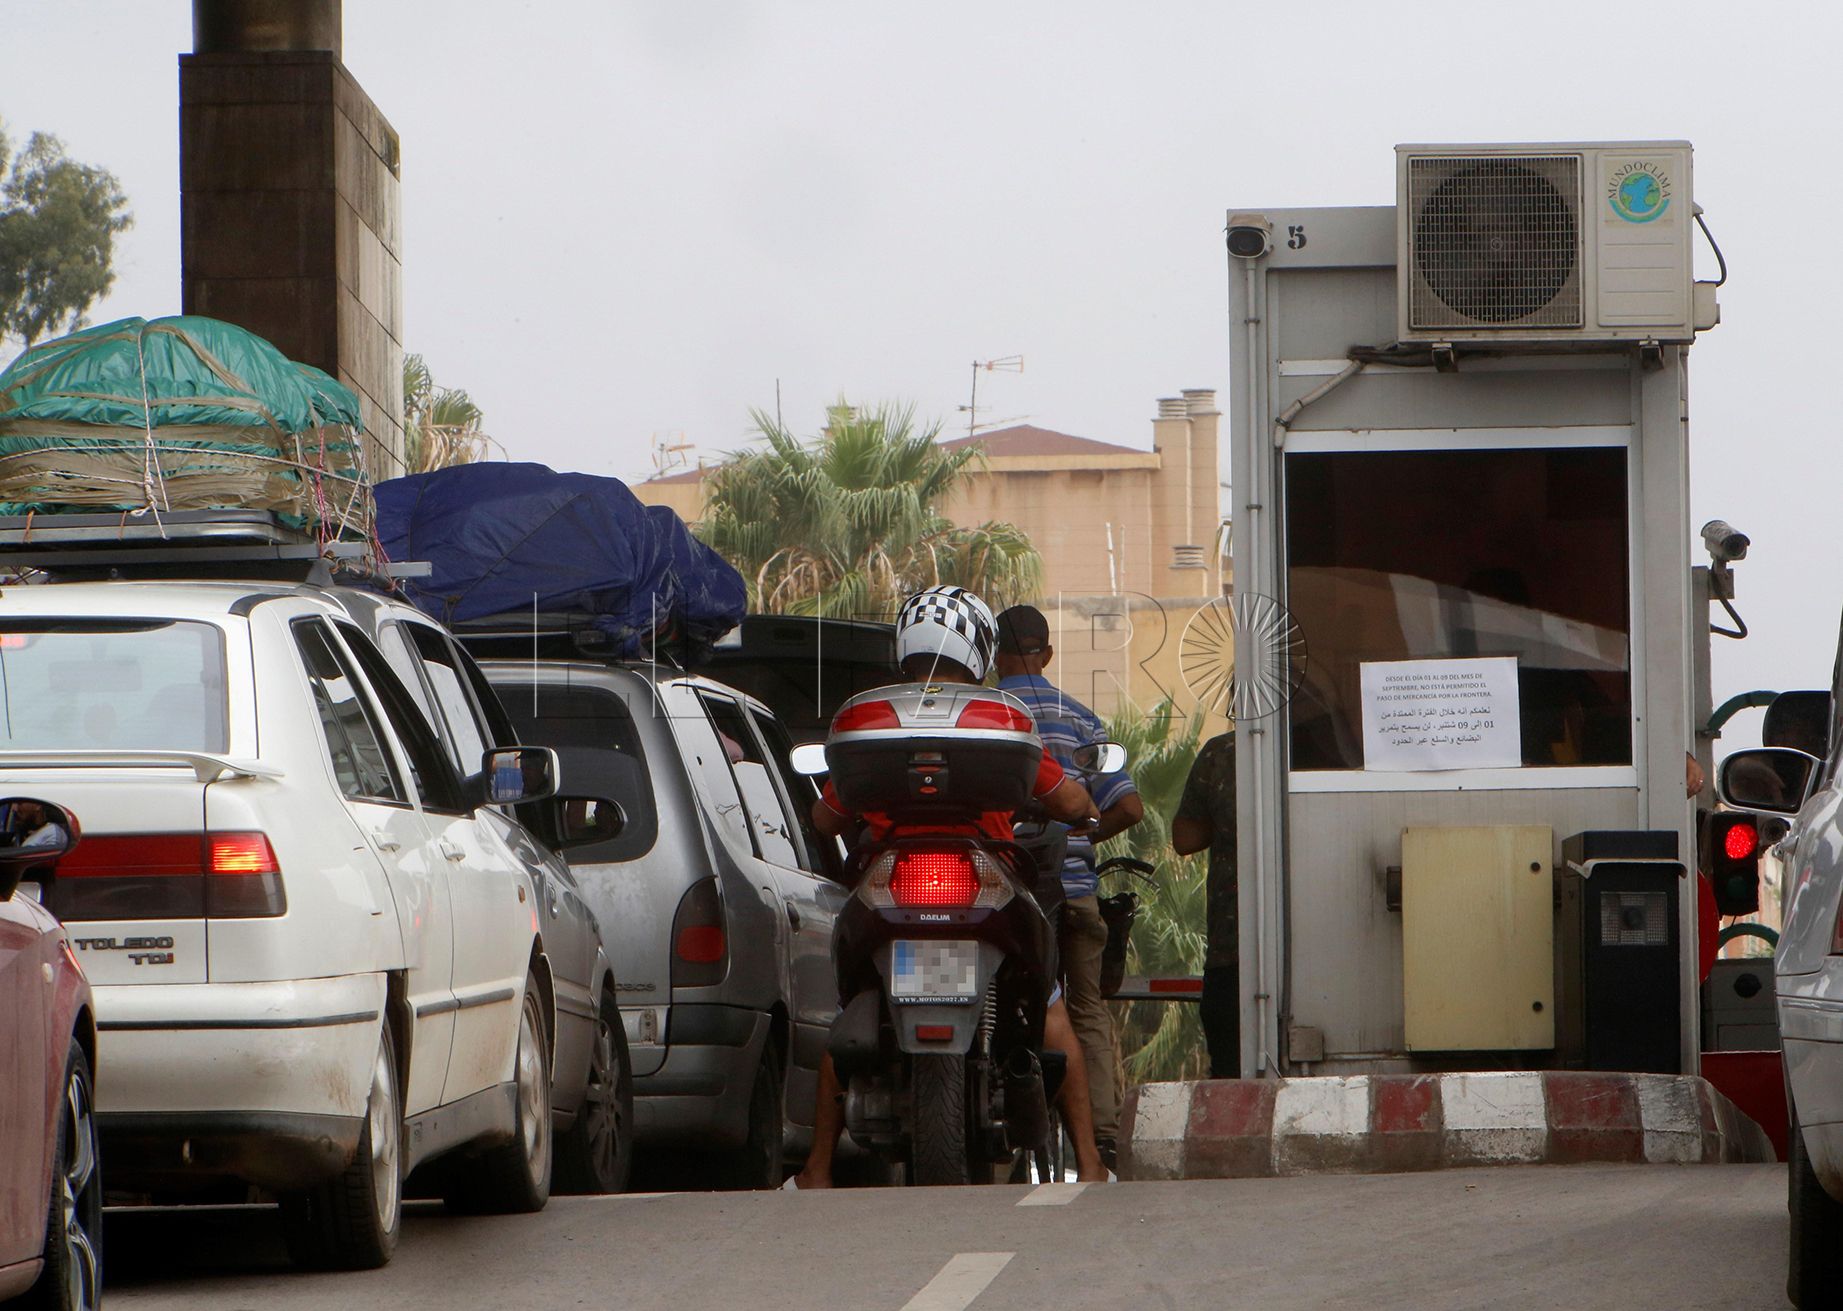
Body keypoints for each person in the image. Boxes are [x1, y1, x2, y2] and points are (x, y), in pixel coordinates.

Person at [791, 585, 1109, 1187]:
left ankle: (817, 1167)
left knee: (849, 1006)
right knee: (1050, 1007)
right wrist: (1085, 808)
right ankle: (1091, 1165)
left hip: (888, 881)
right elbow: (1070, 801)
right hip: (985, 877)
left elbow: (828, 819)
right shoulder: (997, 723)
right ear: (981, 648)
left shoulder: (874, 720)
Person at [992, 604, 1143, 1169]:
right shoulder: (1079, 720)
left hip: (999, 897)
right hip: (1074, 890)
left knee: (1000, 1007)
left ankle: (1000, 1139)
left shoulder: (987, 717)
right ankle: (1101, 1135)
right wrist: (1081, 835)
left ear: (993, 657)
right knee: (1085, 1010)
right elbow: (1129, 806)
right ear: (1047, 654)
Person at [1172, 729, 1238, 1079]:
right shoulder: (1314, 752)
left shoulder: (1221, 753)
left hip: (1231, 942)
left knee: (1229, 1069)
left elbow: (1184, 838)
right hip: (1309, 947)